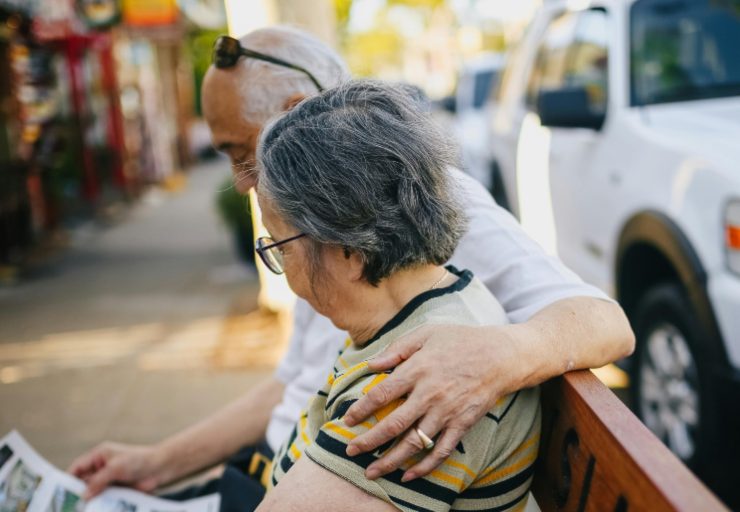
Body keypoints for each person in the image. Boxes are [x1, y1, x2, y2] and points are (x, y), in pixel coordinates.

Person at [69, 26, 634, 509]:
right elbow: (291, 386)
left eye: (243, 153)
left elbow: (604, 320)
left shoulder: (395, 212)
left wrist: (498, 354)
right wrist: (156, 464)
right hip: (287, 462)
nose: (243, 181)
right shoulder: (368, 272)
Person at [255, 79, 540, 511]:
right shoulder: (450, 293)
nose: (285, 275)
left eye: (279, 247)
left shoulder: (411, 390)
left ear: (348, 251)